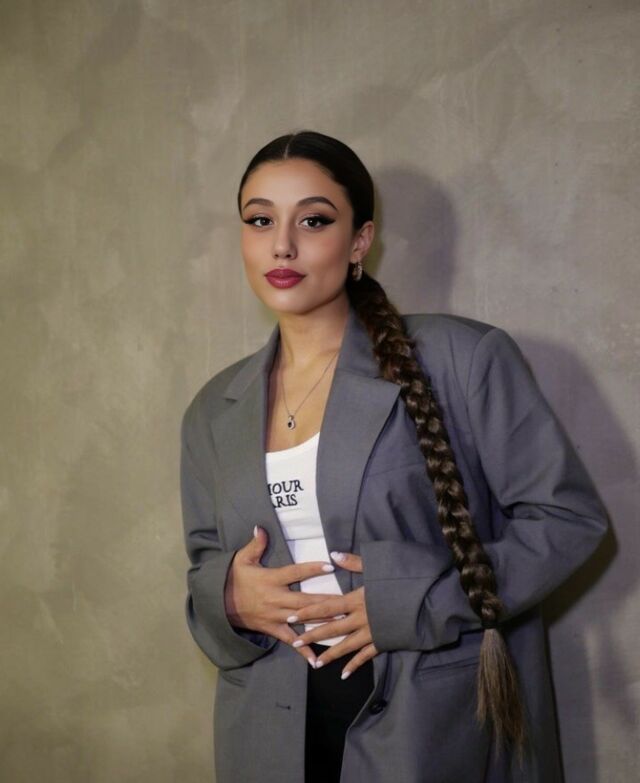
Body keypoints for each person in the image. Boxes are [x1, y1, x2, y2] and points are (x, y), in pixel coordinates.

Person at [179, 130, 608, 783]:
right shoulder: (213, 409)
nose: (282, 245)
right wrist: (230, 599)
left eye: (313, 220)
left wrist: (422, 601)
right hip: (268, 726)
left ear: (360, 241)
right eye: (260, 220)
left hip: (432, 722)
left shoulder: (461, 359)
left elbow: (568, 520)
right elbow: (204, 567)